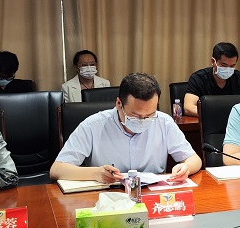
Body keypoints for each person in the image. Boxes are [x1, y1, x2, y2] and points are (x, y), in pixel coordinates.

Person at [52, 73, 201, 183]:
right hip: (108, 196)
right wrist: (96, 173)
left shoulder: (164, 122)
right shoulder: (93, 125)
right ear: (119, 104)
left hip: (151, 194)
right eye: (135, 115)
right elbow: (57, 169)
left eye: (149, 115)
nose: (143, 120)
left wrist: (186, 168)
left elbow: (194, 159)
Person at [183, 42, 240, 116]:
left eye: (232, 66)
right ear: (213, 61)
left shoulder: (239, 78)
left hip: (235, 121)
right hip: (210, 120)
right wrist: (217, 114)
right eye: (224, 65)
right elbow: (188, 108)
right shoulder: (198, 78)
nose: (228, 69)